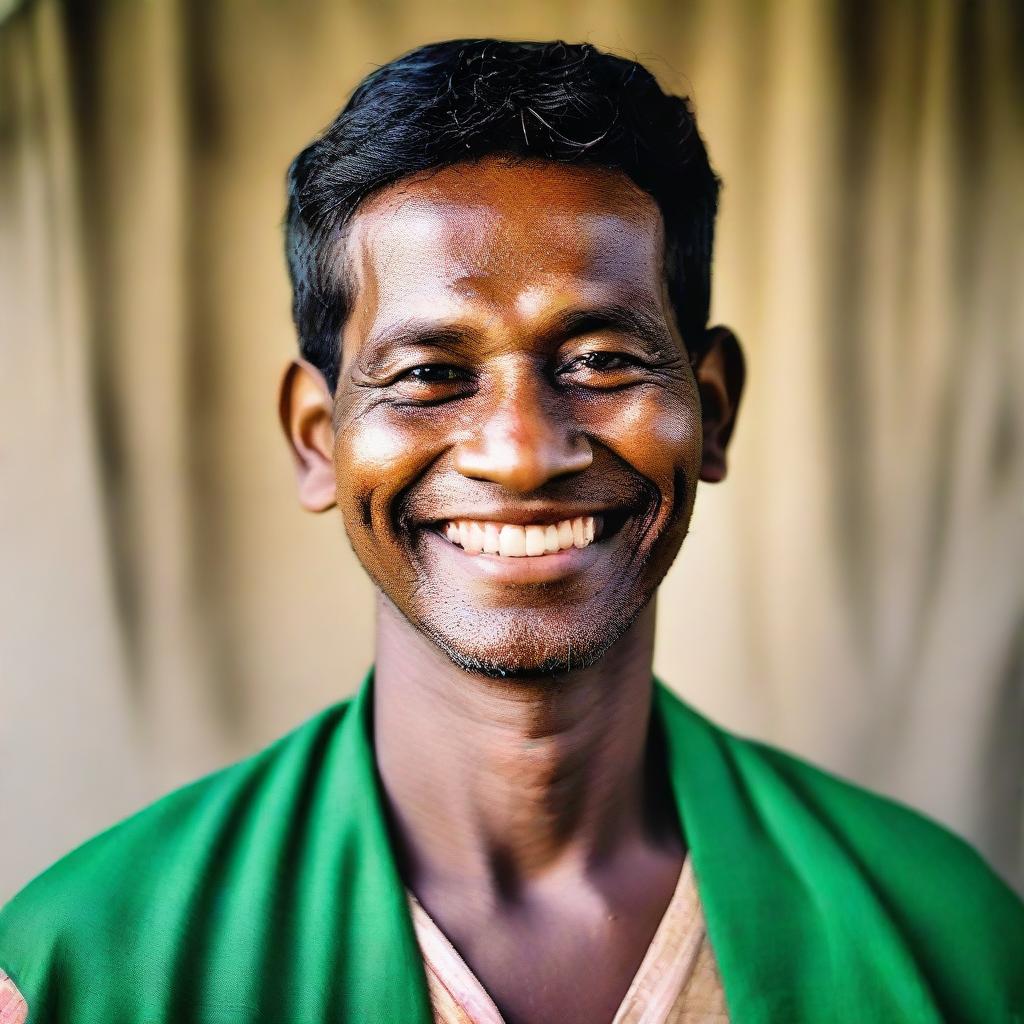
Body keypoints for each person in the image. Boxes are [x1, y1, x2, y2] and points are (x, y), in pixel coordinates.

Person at [1, 37, 1021, 1024]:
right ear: (319, 441)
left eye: (603, 360)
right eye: (429, 375)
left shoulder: (950, 943)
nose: (524, 452)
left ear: (711, 408)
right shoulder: (83, 965)